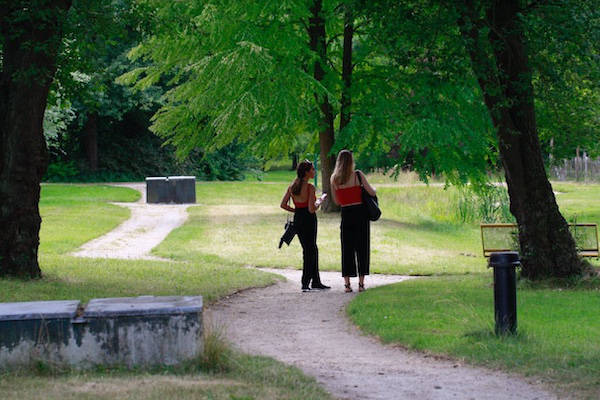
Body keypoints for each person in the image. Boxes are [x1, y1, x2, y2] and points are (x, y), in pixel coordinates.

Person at [330, 150, 376, 292]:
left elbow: (337, 201)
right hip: (360, 213)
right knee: (362, 247)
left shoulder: (334, 179)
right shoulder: (357, 175)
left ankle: (347, 285)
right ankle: (361, 284)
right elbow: (372, 192)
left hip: (346, 214)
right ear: (351, 161)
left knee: (347, 249)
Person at [280, 160, 329, 292]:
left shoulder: (292, 186)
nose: (314, 171)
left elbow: (283, 204)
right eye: (312, 169)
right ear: (307, 172)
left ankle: (316, 281)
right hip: (309, 220)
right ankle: (306, 283)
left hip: (298, 219)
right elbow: (312, 209)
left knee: (310, 249)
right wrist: (320, 200)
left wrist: (295, 211)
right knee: (310, 250)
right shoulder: (309, 187)